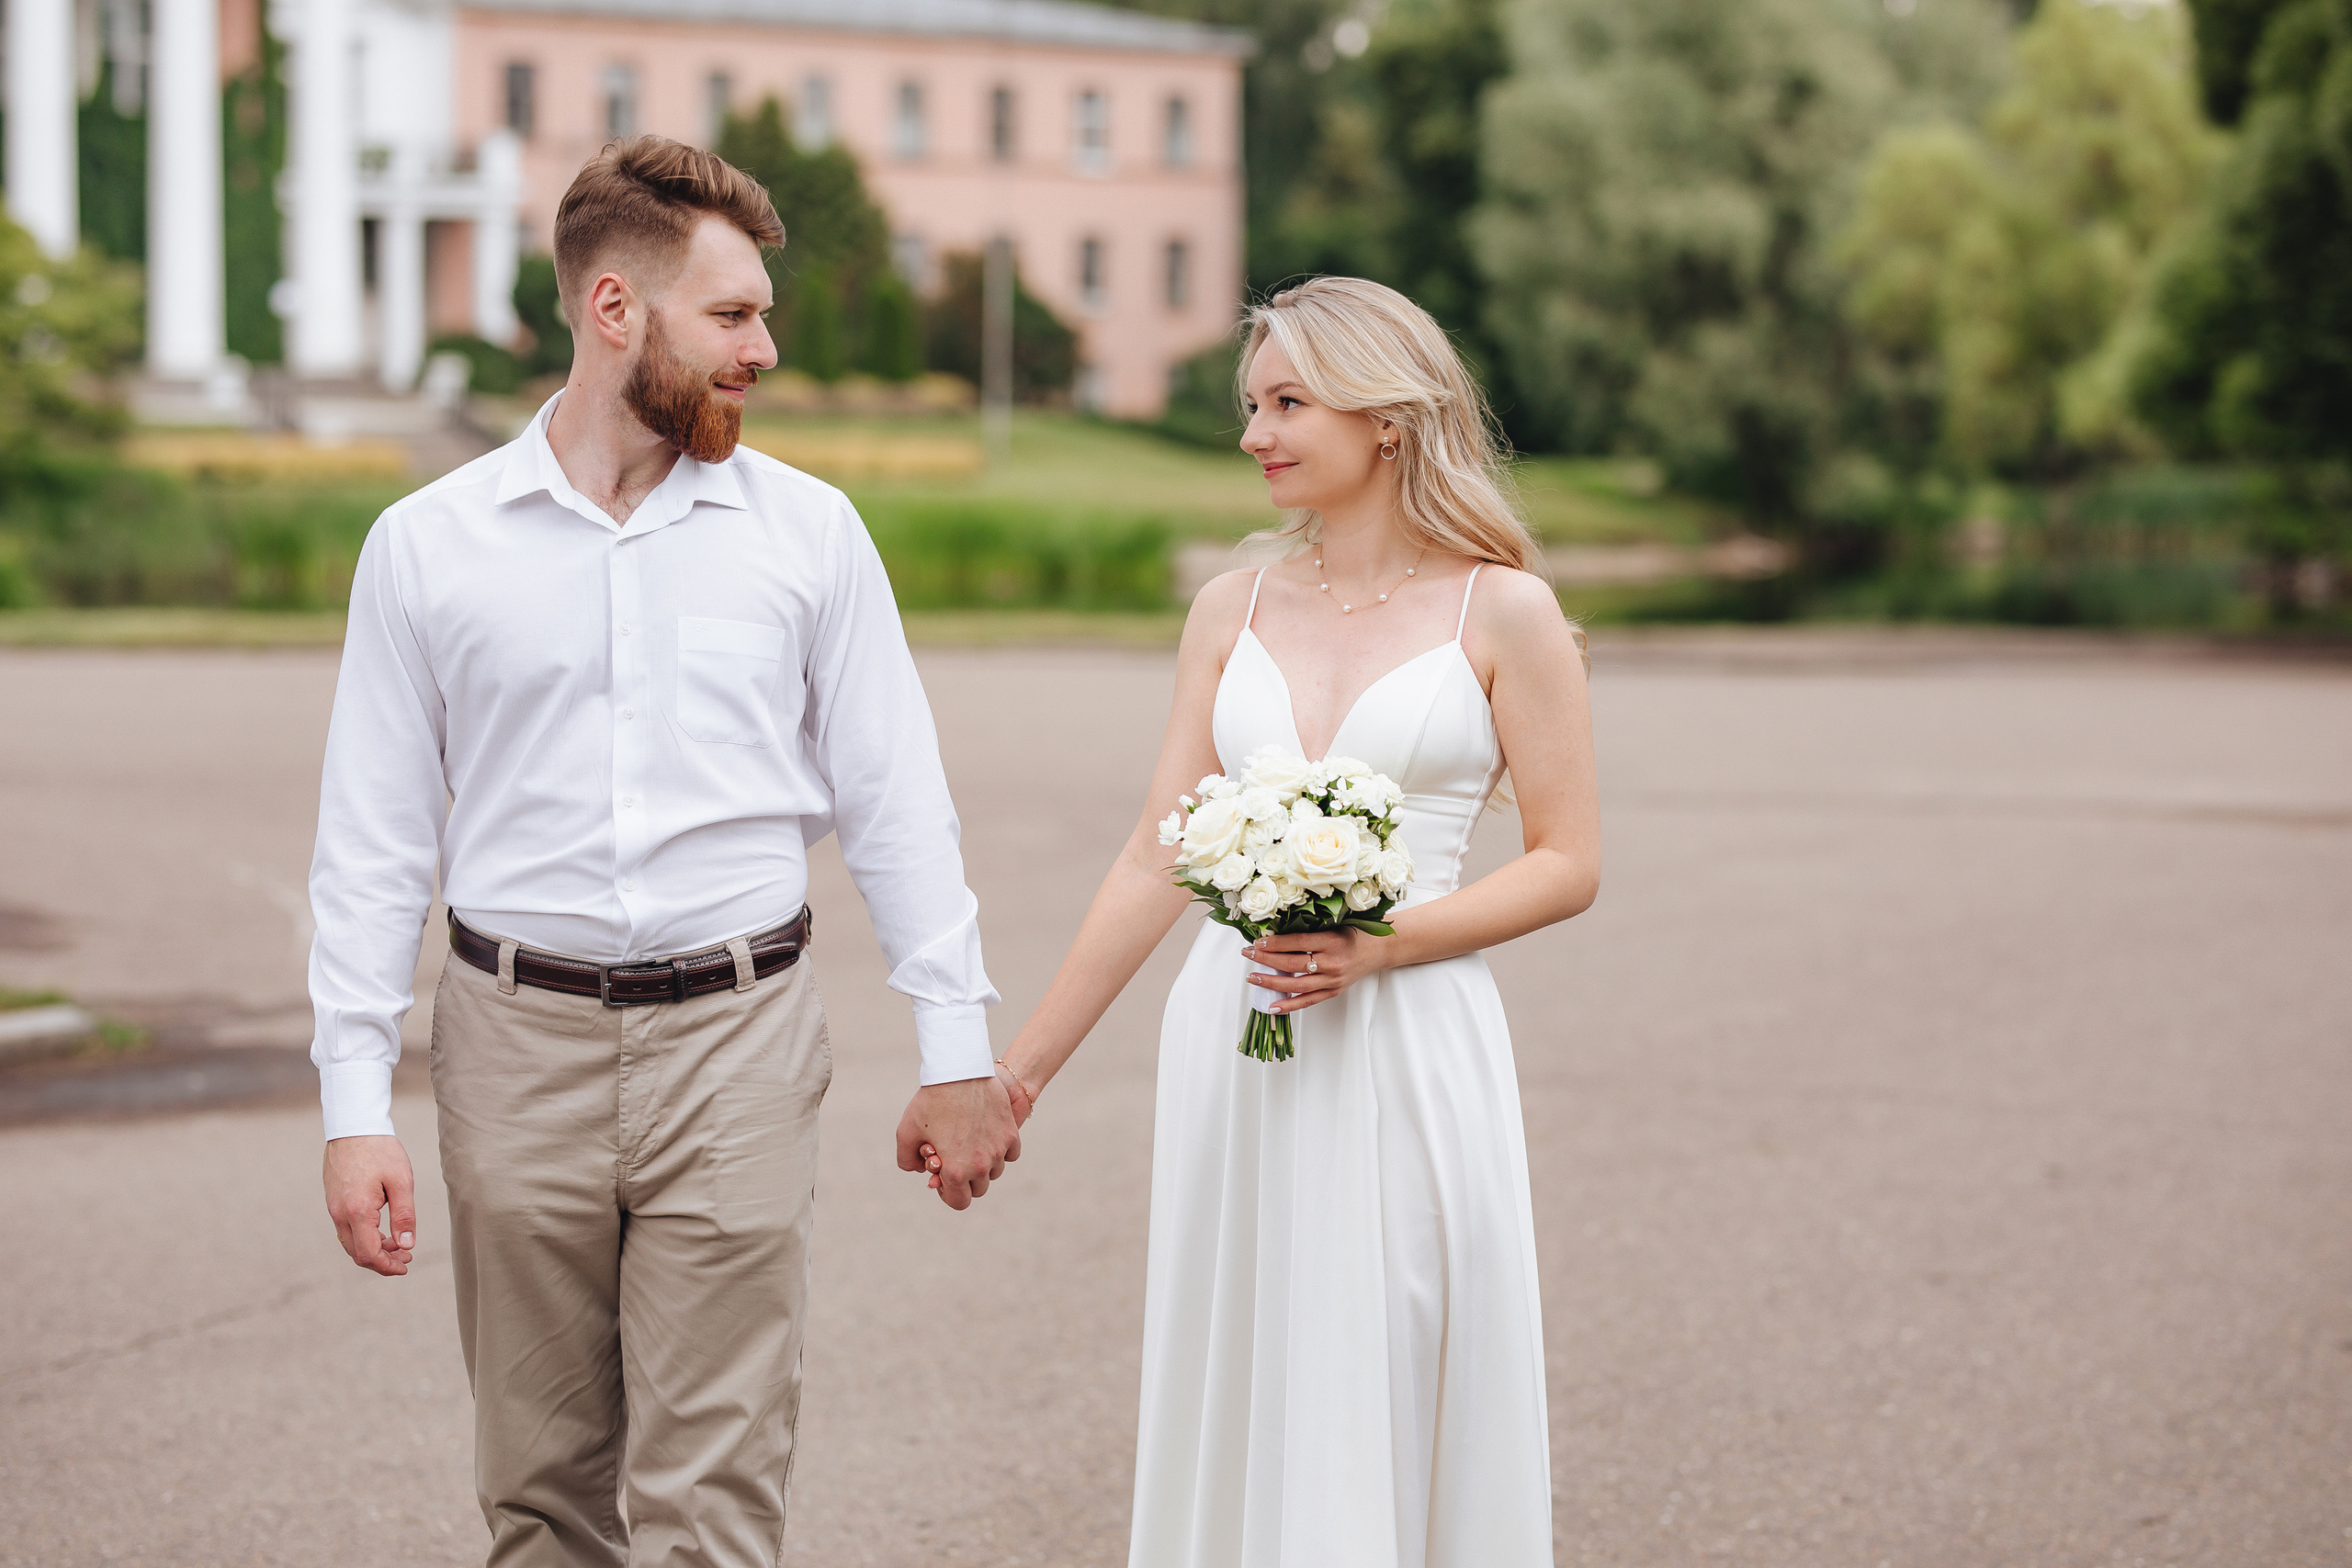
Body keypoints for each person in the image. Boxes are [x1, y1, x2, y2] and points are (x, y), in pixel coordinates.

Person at [306, 136, 1023, 1566]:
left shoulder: (810, 535)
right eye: (733, 314)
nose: (765, 348)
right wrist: (352, 1103)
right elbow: (373, 840)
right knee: (539, 1491)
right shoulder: (428, 546)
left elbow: (895, 799)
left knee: (717, 1497)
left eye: (762, 314)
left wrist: (958, 1050)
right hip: (514, 1045)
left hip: (739, 1042)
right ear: (614, 308)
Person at [967, 276, 1599, 1566]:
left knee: (1393, 1334)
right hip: (1238, 1029)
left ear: (1387, 417)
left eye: (1289, 402)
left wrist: (1385, 946)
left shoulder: (1504, 611)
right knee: (1247, 1344)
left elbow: (1569, 861)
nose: (1256, 432)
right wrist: (1017, 1076)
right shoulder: (1231, 608)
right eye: (1252, 405)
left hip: (1411, 1035)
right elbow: (1157, 852)